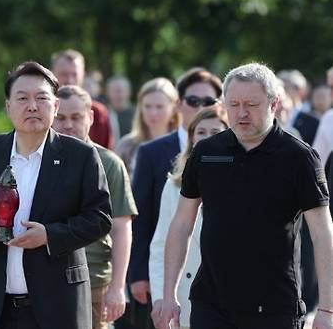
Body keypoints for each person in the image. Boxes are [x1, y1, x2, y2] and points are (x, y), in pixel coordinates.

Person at [157, 62, 333, 329]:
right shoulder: (206, 153)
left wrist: (327, 308)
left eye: (251, 105)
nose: (241, 113)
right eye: (234, 104)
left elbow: (322, 233)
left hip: (275, 307)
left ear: (274, 104)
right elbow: (181, 225)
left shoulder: (299, 158)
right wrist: (167, 294)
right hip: (210, 306)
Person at [0, 61, 113, 329]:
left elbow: (100, 218)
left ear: (55, 106)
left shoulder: (80, 156)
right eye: (22, 98)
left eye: (41, 98)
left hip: (58, 304)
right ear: (8, 106)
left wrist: (50, 235)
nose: (32, 106)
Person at [123, 67, 222, 329]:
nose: (200, 106)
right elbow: (143, 222)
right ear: (180, 104)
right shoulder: (155, 155)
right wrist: (141, 276)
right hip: (175, 279)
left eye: (209, 101)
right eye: (193, 100)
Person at [53, 85, 138, 329]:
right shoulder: (38, 159)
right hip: (44, 278)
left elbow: (122, 228)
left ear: (90, 118)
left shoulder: (109, 163)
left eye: (76, 117)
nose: (68, 124)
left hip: (93, 279)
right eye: (61, 118)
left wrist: (118, 288)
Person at [148, 108, 228, 329]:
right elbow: (160, 245)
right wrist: (161, 298)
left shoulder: (240, 183)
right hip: (182, 296)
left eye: (216, 131)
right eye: (201, 131)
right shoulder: (174, 185)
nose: (208, 137)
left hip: (226, 298)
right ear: (191, 137)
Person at [115, 77, 179, 177]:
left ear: (174, 108)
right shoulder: (126, 146)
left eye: (159, 106)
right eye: (147, 106)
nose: (153, 113)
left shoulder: (183, 144)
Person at [51, 49, 114, 149]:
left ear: (83, 75)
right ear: (52, 74)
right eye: (64, 74)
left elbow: (105, 152)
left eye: (74, 74)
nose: (69, 80)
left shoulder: (98, 112)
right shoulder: (43, 110)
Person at [106, 76, 135, 142]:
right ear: (108, 93)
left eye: (120, 91)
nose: (118, 95)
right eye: (114, 91)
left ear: (129, 92)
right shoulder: (103, 116)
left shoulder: (137, 115)